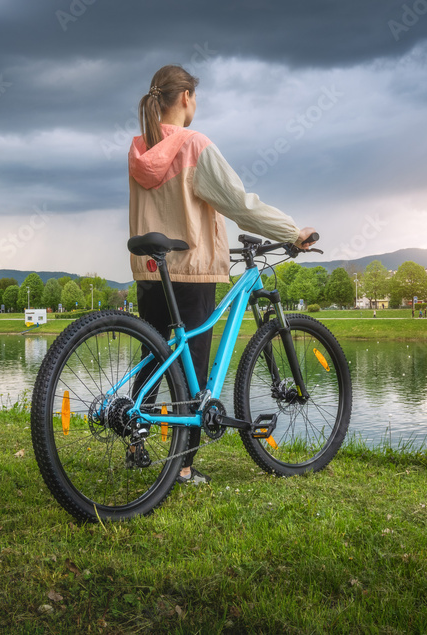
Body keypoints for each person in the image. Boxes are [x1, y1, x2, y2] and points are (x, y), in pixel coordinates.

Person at [128, 65, 317, 485]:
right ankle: (184, 465)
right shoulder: (192, 144)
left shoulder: (140, 147)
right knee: (191, 366)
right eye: (196, 97)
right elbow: (239, 203)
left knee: (154, 357)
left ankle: (135, 440)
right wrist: (292, 231)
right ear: (186, 98)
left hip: (150, 267)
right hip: (190, 269)